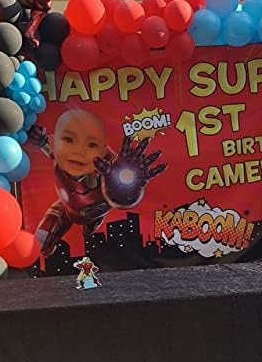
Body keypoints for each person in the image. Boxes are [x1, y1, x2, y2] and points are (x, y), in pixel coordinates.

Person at [29, 109, 166, 257]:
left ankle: (93, 222)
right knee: (40, 244)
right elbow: (51, 149)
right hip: (67, 208)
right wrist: (40, 140)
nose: (79, 150)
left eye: (89, 143)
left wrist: (126, 189)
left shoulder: (108, 163)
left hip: (93, 208)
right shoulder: (61, 150)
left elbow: (123, 189)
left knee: (89, 225)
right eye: (71, 140)